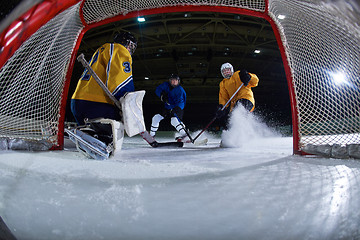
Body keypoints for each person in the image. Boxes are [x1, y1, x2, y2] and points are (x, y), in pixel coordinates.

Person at [71, 31, 137, 126]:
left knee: (89, 136)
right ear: (128, 43)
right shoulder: (119, 49)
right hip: (97, 103)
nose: (130, 49)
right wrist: (128, 102)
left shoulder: (101, 50)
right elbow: (119, 81)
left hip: (77, 101)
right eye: (131, 46)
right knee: (110, 135)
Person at [150, 74, 189, 141]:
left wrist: (177, 108)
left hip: (178, 107)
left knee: (174, 121)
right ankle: (151, 135)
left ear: (178, 81)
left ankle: (185, 134)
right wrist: (162, 95)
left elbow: (181, 101)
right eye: (172, 80)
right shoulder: (165, 85)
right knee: (156, 118)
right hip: (167, 107)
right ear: (170, 81)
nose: (174, 82)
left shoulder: (180, 90)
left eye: (175, 81)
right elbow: (158, 89)